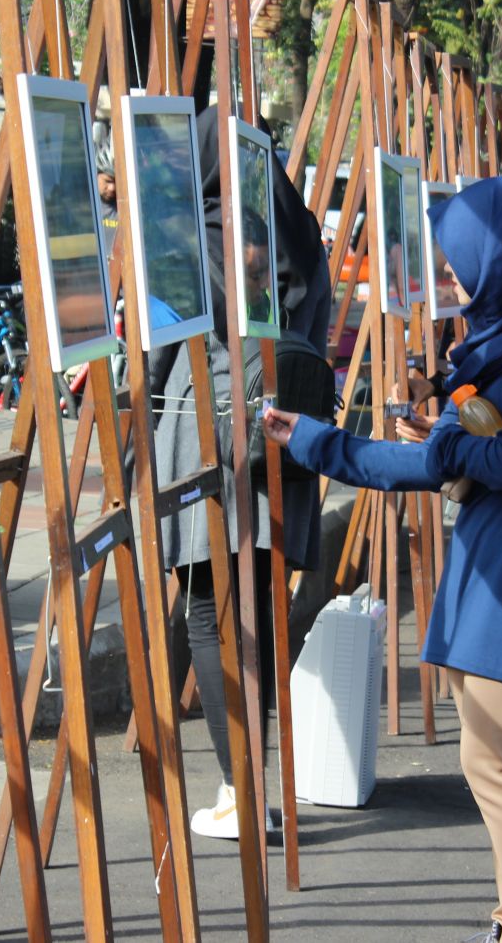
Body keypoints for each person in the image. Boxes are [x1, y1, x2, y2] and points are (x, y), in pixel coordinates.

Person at [264, 177, 502, 943]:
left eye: (464, 261)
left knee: (500, 763)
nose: (454, 279)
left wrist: (426, 445)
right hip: (499, 562)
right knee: (498, 761)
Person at [149, 107, 331, 841]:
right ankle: (250, 781)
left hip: (212, 428)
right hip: (281, 429)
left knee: (205, 607)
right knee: (253, 604)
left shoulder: (202, 232)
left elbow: (168, 342)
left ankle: (240, 790)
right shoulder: (294, 233)